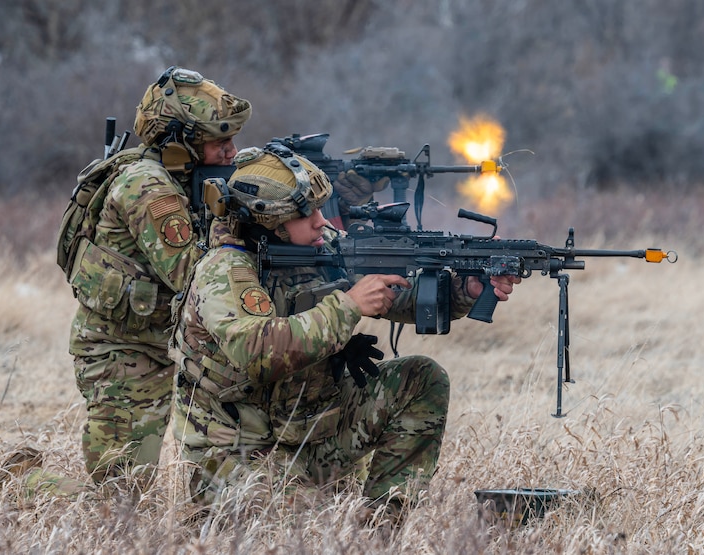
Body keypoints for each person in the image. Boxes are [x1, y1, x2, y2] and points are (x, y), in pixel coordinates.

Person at [170, 142, 520, 522]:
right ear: (269, 220)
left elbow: (399, 293)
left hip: (311, 434)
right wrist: (350, 305)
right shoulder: (224, 271)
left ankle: (380, 529)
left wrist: (462, 290)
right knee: (319, 527)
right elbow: (257, 353)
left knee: (422, 379)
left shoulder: (322, 248)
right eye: (307, 214)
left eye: (321, 208)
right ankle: (219, 516)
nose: (322, 221)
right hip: (239, 454)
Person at [67, 66, 252, 485]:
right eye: (218, 141)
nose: (231, 151)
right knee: (121, 494)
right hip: (121, 353)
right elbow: (192, 274)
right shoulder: (148, 187)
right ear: (179, 142)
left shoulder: (185, 177)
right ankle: (24, 479)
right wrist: (231, 227)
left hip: (165, 341)